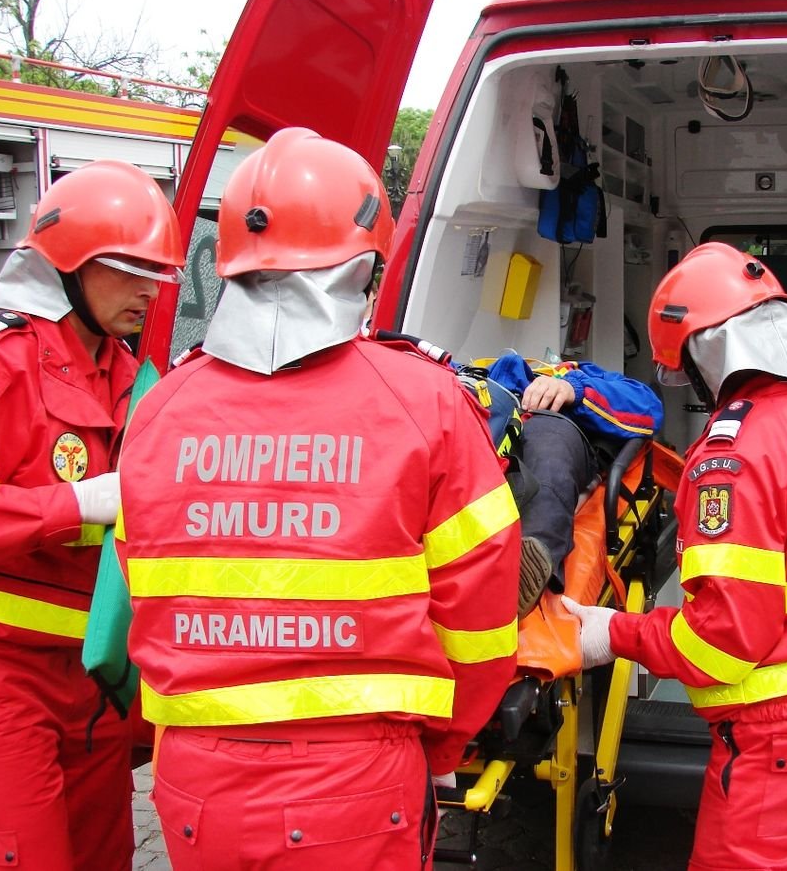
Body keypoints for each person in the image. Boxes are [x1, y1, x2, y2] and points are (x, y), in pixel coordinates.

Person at [116, 128, 521, 870]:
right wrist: (447, 738)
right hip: (356, 782)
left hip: (196, 784)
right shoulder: (421, 399)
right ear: (364, 259)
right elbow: (483, 607)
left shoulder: (161, 406)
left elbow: (142, 584)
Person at [563, 241, 787, 870]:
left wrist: (614, 634)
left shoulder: (731, 460)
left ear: (699, 356)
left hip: (784, 739)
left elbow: (723, 642)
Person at [0, 160, 184, 871]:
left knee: (104, 857)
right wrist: (74, 504)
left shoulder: (134, 379)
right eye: (126, 268)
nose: (146, 290)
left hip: (97, 681)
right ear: (67, 267)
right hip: (0, 681)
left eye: (154, 272)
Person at [481, 351, 663, 615]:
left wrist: (573, 389)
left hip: (550, 425)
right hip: (487, 415)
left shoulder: (581, 375)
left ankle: (528, 564)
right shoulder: (479, 369)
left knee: (548, 455)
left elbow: (648, 407)